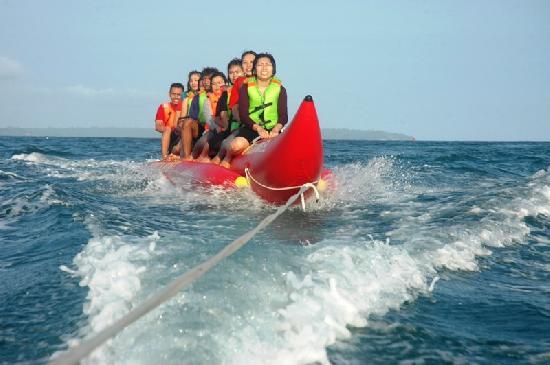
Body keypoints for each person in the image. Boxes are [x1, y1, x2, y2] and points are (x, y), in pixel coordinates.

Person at [220, 53, 288, 168]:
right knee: (235, 146)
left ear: (273, 69)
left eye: (268, 64)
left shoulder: (280, 89)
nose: (264, 67)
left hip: (274, 129)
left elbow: (283, 115)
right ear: (255, 69)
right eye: (260, 65)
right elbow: (244, 115)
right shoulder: (246, 88)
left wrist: (276, 129)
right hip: (251, 128)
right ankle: (228, 158)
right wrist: (259, 129)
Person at [179, 67, 219, 160]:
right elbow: (193, 118)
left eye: (208, 79)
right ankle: (186, 157)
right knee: (187, 122)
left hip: (220, 128)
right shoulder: (197, 98)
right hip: (202, 129)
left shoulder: (224, 94)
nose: (205, 81)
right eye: (204, 79)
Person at [192, 71, 228, 161]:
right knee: (203, 141)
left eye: (219, 83)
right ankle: (193, 156)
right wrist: (217, 128)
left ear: (225, 84)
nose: (217, 86)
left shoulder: (231, 95)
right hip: (213, 130)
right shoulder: (208, 100)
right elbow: (209, 120)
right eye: (214, 84)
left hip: (227, 129)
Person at [154, 83, 184, 160]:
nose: (176, 97)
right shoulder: (163, 107)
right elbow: (158, 126)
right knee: (167, 129)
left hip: (183, 136)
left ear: (183, 95)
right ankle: (165, 157)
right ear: (169, 94)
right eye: (173, 94)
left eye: (179, 94)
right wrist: (168, 129)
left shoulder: (187, 105)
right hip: (171, 136)